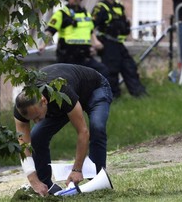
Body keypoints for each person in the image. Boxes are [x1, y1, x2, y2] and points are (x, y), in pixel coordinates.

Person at [14, 64, 113, 197]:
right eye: (32, 119)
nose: (36, 121)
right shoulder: (22, 106)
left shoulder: (61, 91)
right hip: (63, 103)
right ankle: (46, 187)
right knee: (37, 135)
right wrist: (34, 180)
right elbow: (23, 144)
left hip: (94, 89)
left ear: (43, 101)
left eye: (37, 117)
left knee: (97, 127)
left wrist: (77, 169)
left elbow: (83, 132)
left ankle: (98, 181)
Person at [92, 0, 148, 98]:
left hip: (119, 44)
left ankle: (139, 94)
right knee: (111, 71)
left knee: (130, 67)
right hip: (107, 44)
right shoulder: (100, 8)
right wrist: (95, 42)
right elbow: (90, 26)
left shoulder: (119, 6)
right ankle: (113, 96)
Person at [38, 0, 109, 77]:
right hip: (68, 54)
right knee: (70, 80)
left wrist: (95, 44)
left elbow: (90, 31)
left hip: (84, 54)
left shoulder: (86, 14)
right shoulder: (62, 13)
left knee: (103, 71)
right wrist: (43, 45)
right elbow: (50, 30)